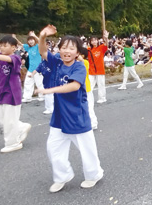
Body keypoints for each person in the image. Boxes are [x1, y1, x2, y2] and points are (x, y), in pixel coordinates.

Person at [37, 25, 104, 193]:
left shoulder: (79, 67)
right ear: (59, 50)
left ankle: (94, 174)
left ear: (77, 52)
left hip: (76, 115)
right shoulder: (57, 63)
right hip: (59, 116)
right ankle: (62, 176)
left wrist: (50, 90)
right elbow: (43, 52)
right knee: (53, 148)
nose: (67, 51)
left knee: (87, 149)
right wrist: (42, 36)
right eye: (64, 47)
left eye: (71, 48)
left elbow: (74, 86)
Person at [0, 35, 32, 153]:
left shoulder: (15, 58)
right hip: (3, 92)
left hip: (12, 93)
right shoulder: (1, 58)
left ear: (13, 48)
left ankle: (13, 143)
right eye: (0, 45)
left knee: (9, 120)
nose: (2, 48)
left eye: (5, 45)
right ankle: (21, 127)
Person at [13, 32, 44, 102]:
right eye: (29, 40)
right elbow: (21, 44)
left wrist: (34, 36)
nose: (31, 41)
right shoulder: (28, 47)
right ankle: (27, 97)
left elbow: (41, 42)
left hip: (38, 69)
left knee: (39, 83)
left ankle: (42, 96)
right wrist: (15, 38)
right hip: (30, 68)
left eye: (32, 40)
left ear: (34, 40)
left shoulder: (37, 47)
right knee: (28, 82)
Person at [79, 48, 98, 130]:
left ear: (83, 55)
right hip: (79, 89)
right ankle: (84, 122)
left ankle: (94, 123)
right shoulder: (75, 63)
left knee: (89, 106)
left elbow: (81, 61)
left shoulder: (85, 62)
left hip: (86, 89)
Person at [87, 31, 109, 104]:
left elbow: (106, 44)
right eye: (92, 40)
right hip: (91, 70)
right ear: (90, 42)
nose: (94, 42)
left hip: (100, 70)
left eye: (95, 40)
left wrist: (106, 38)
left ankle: (102, 98)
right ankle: (87, 98)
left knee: (101, 84)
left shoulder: (101, 48)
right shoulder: (89, 50)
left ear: (97, 40)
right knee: (89, 85)